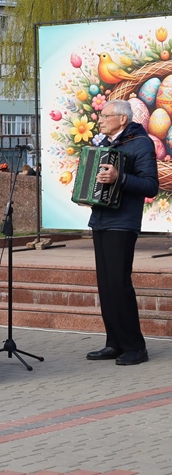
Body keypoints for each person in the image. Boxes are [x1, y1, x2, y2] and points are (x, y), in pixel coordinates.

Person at [86, 99, 158, 366]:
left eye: (105, 116)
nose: (100, 120)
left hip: (123, 222)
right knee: (106, 285)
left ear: (122, 119)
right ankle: (114, 343)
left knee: (119, 283)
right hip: (101, 220)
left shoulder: (140, 143)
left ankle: (135, 347)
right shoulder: (105, 145)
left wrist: (121, 178)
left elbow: (150, 185)